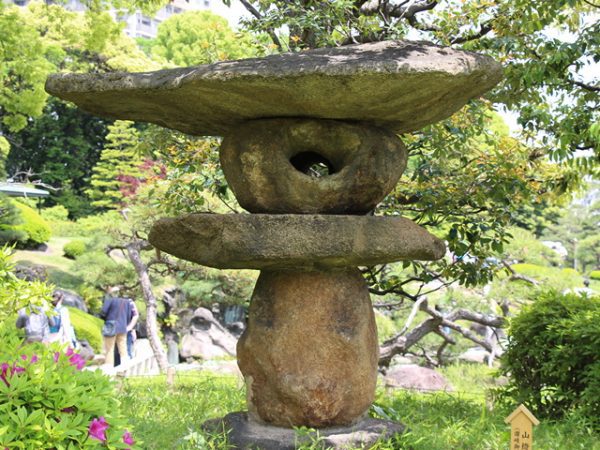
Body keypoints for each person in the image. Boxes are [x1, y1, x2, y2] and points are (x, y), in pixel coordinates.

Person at [100, 287, 132, 367]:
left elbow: (104, 311)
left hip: (111, 326)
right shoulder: (127, 302)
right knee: (123, 348)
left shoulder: (110, 299)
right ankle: (125, 366)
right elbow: (129, 316)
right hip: (122, 326)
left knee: (109, 348)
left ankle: (109, 367)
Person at [114, 298, 139, 366]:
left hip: (127, 331)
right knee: (116, 354)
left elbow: (135, 315)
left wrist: (130, 327)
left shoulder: (130, 302)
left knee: (127, 352)